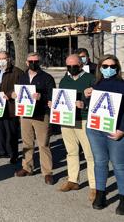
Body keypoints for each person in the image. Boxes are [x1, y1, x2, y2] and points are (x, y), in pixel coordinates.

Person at [51, 54, 96, 201]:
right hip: (67, 120)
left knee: (90, 154)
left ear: (81, 65)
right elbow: (62, 98)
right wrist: (54, 105)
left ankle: (95, 186)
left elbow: (97, 101)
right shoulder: (65, 80)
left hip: (83, 120)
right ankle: (73, 180)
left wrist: (85, 103)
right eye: (68, 66)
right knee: (71, 152)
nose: (71, 68)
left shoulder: (90, 78)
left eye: (74, 65)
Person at [85, 54, 124, 214]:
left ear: (117, 68)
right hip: (95, 129)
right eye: (105, 66)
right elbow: (93, 107)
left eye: (112, 66)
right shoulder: (96, 83)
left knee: (119, 165)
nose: (109, 69)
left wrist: (122, 129)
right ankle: (100, 194)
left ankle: (122, 198)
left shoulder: (122, 85)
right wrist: (87, 96)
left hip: (115, 130)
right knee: (100, 162)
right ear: (100, 67)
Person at [14, 52, 56, 185]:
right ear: (27, 62)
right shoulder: (22, 77)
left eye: (36, 61)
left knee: (43, 144)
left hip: (40, 115)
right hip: (25, 114)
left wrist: (41, 97)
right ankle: (27, 167)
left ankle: (47, 172)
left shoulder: (47, 77)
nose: (33, 63)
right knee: (27, 143)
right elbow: (18, 92)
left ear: (39, 62)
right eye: (31, 61)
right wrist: (14, 94)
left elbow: (53, 96)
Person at [0, 51, 24, 164]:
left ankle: (13, 154)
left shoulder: (17, 72)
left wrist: (8, 95)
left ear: (9, 59)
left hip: (10, 107)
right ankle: (2, 150)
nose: (1, 61)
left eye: (3, 58)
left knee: (11, 132)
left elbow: (20, 89)